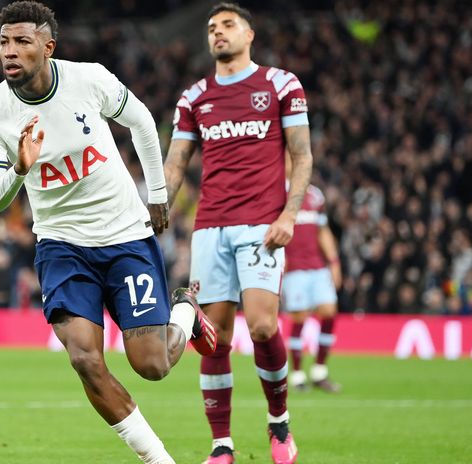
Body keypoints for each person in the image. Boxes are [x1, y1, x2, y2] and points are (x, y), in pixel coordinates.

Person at [0, 2, 216, 463]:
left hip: (124, 235)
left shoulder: (88, 79)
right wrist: (19, 169)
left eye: (22, 41)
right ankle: (159, 459)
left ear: (48, 47)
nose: (10, 51)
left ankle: (185, 312)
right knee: (84, 358)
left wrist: (157, 195)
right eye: (4, 42)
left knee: (152, 365)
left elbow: (141, 121)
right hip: (61, 245)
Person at [164, 3, 313, 463]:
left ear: (249, 34)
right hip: (210, 227)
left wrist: (289, 216)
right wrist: (155, 209)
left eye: (228, 25)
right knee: (215, 339)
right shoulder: (194, 97)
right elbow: (175, 164)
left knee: (263, 325)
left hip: (262, 224)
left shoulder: (280, 85)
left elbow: (302, 155)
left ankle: (279, 421)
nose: (218, 32)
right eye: (212, 27)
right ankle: (221, 445)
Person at [282, 181, 342, 393]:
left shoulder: (315, 195)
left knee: (329, 311)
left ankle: (319, 371)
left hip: (318, 267)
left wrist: (334, 262)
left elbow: (323, 231)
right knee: (299, 318)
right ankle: (297, 374)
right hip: (294, 269)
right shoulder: (279, 193)